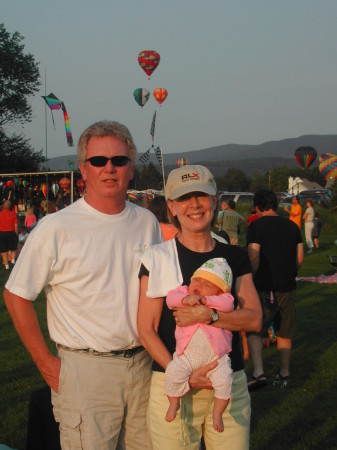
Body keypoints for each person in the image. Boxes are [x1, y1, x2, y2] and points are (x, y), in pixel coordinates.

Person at [4, 121, 163, 449]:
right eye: (98, 161)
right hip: (86, 373)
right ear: (83, 170)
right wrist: (47, 365)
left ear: (131, 168)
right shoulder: (56, 228)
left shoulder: (146, 223)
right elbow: (16, 295)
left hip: (145, 367)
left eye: (119, 161)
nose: (109, 168)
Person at [138, 164, 262, 450]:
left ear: (215, 200)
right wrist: (181, 374)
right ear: (171, 206)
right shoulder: (157, 258)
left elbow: (255, 319)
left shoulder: (234, 256)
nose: (194, 204)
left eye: (202, 195)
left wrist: (211, 315)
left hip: (228, 385)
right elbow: (146, 329)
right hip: (174, 387)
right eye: (184, 197)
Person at [165, 257, 234, 433]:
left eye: (207, 284)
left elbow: (228, 304)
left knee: (225, 381)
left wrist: (206, 301)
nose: (199, 284)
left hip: (216, 359)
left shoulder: (222, 299)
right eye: (197, 279)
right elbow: (170, 299)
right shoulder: (183, 292)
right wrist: (185, 299)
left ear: (219, 291)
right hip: (187, 357)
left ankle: (218, 413)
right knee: (173, 372)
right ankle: (174, 403)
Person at [246, 189, 303, 390]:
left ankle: (259, 372)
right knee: (284, 331)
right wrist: (289, 273)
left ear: (258, 206)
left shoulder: (256, 226)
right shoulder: (292, 226)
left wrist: (250, 279)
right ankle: (284, 372)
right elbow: (300, 258)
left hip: (264, 286)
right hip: (287, 286)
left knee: (255, 328)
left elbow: (254, 256)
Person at [0, 200, 18, 269]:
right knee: (13, 248)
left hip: (2, 233)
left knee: (4, 251)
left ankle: (6, 266)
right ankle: (13, 260)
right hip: (11, 232)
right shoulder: (13, 214)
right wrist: (16, 234)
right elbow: (15, 225)